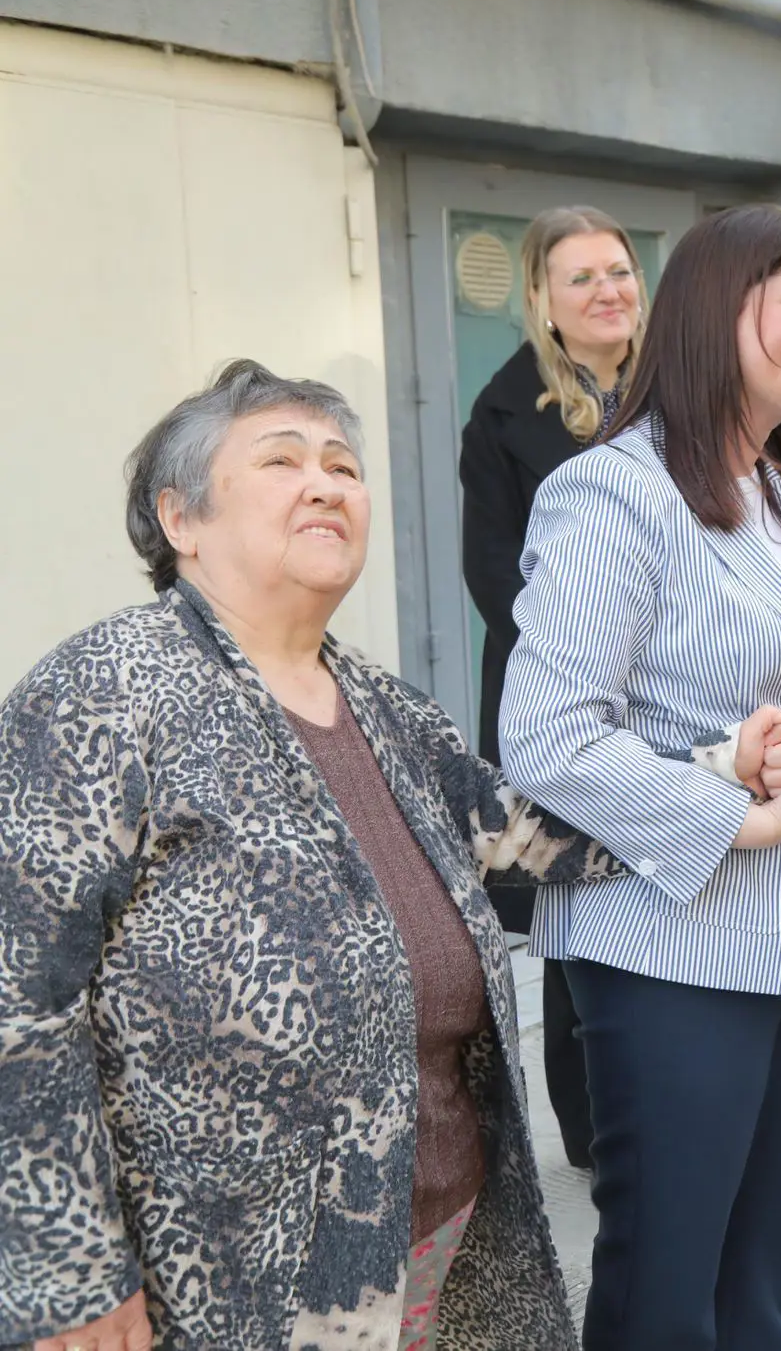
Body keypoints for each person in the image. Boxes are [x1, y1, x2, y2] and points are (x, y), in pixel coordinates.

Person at [0, 360, 618, 1350]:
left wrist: (725, 782)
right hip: (226, 1280)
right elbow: (20, 998)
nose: (326, 481)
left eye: (342, 463)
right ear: (181, 518)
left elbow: (528, 833)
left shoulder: (386, 708)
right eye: (281, 461)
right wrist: (67, 1271)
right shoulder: (99, 697)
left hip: (427, 1238)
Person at [499, 205, 781, 1351]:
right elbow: (551, 734)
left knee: (759, 1278)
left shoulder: (780, 491)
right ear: (717, 309)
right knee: (667, 1294)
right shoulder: (613, 494)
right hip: (671, 948)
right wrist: (742, 810)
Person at [459, 204, 647, 1175]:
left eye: (617, 270)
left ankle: (667, 1092)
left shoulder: (676, 389)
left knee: (670, 890)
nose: (608, 290)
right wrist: (589, 655)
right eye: (581, 278)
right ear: (542, 300)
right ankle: (592, 1128)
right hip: (563, 702)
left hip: (674, 696)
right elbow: (493, 574)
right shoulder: (503, 411)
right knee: (580, 911)